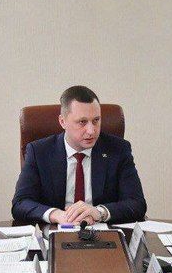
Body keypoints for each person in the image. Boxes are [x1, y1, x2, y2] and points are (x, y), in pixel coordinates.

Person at [11, 85, 147, 224]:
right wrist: (57, 215)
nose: (91, 131)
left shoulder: (118, 149)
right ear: (62, 122)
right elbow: (20, 203)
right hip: (56, 230)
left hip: (101, 230)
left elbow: (137, 203)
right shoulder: (39, 151)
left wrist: (99, 212)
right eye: (82, 122)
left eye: (96, 120)